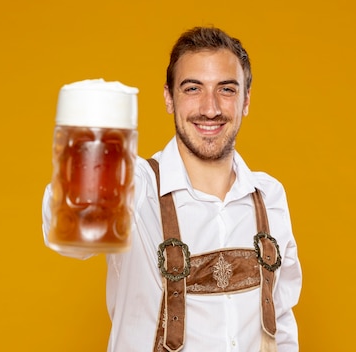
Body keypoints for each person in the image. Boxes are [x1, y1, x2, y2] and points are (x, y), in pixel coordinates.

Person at [41, 26, 302, 351]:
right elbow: (70, 239)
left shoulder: (269, 197)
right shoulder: (133, 187)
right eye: (193, 88)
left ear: (246, 100)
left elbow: (281, 323)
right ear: (168, 97)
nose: (210, 108)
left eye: (227, 89)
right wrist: (90, 151)